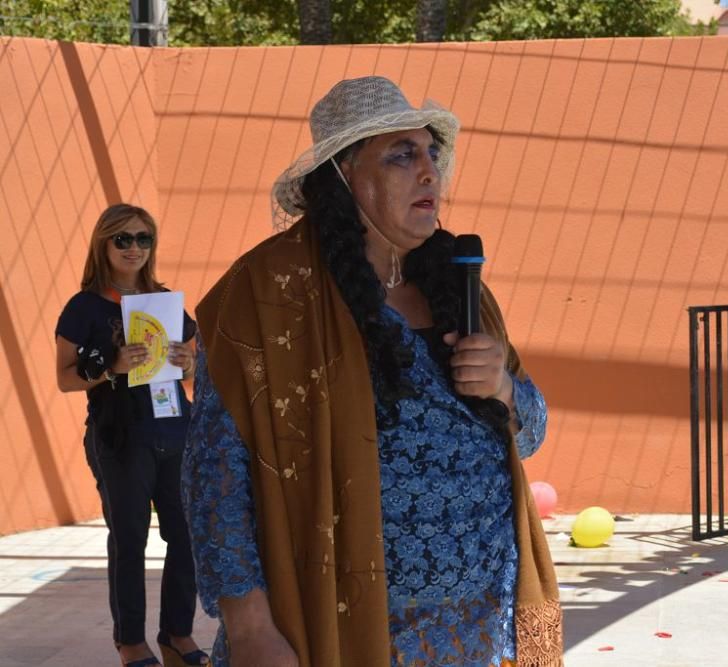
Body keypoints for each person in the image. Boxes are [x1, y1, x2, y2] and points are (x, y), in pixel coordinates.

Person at [182, 76, 564, 666]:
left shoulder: (462, 289)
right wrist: (251, 625)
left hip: (479, 632)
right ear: (342, 177)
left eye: (430, 153)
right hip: (336, 628)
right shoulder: (268, 293)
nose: (429, 172)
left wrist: (505, 388)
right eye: (401, 155)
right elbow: (214, 479)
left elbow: (531, 435)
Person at [55, 204, 211, 667]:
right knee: (130, 538)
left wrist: (191, 363)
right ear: (103, 244)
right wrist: (111, 367)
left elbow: (193, 371)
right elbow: (65, 378)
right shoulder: (84, 306)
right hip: (120, 437)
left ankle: (177, 636)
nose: (134, 248)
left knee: (185, 537)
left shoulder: (163, 303)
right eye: (122, 239)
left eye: (143, 238)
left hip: (174, 430)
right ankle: (131, 644)